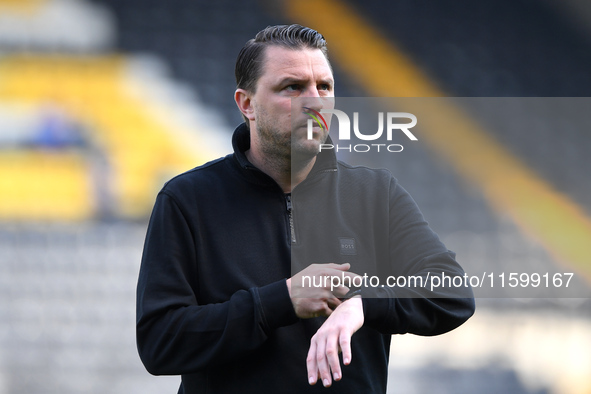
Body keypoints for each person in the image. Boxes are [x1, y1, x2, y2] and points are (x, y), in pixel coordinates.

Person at [136, 24, 475, 393]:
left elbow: (453, 292)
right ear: (246, 104)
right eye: (292, 87)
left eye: (324, 87)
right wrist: (279, 300)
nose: (313, 101)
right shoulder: (187, 200)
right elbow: (160, 343)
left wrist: (363, 305)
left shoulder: (376, 193)